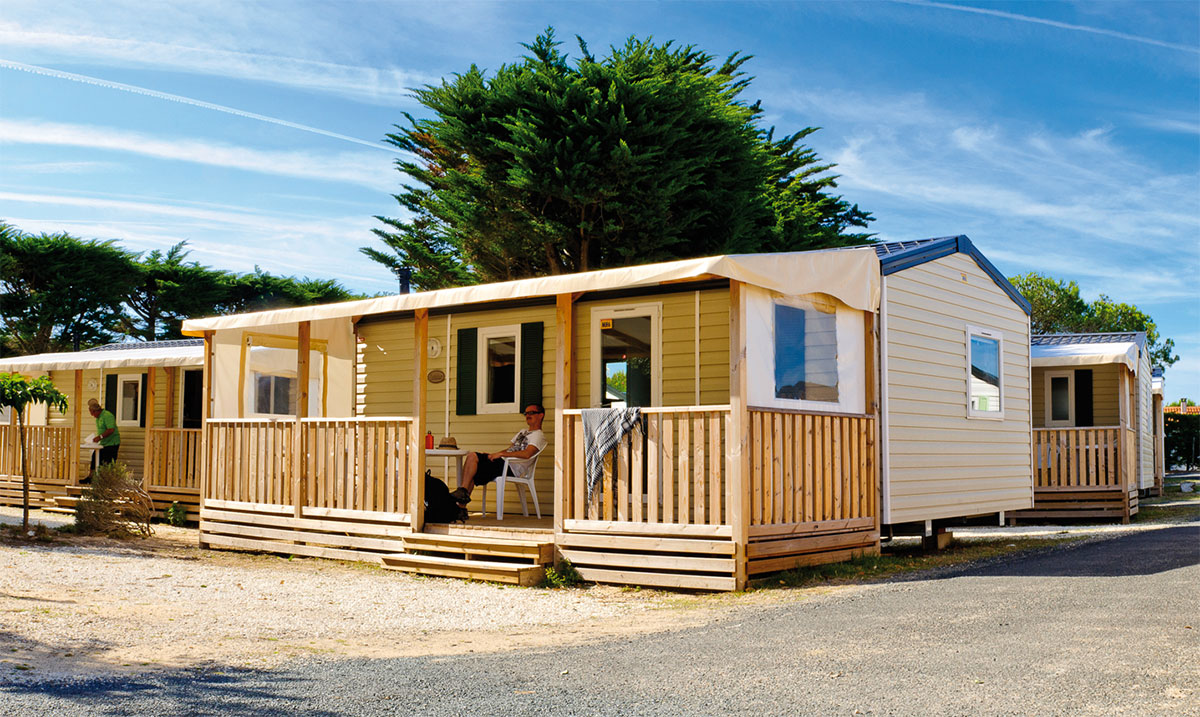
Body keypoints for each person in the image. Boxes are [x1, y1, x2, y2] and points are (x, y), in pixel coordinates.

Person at [449, 403, 546, 505]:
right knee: (472, 462)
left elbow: (527, 454)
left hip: (511, 468)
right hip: (502, 463)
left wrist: (500, 454)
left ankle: (462, 496)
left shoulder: (538, 435)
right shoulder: (523, 431)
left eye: (531, 413)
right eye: (526, 413)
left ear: (541, 415)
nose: (527, 416)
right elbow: (510, 449)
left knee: (473, 462)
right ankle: (462, 501)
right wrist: (494, 455)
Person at [83, 398, 120, 482]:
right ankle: (91, 478)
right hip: (103, 443)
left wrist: (100, 437)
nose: (92, 415)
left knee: (108, 462)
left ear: (96, 411)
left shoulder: (107, 415)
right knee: (95, 457)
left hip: (112, 443)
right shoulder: (98, 418)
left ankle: (108, 481)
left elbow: (111, 429)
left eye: (92, 413)